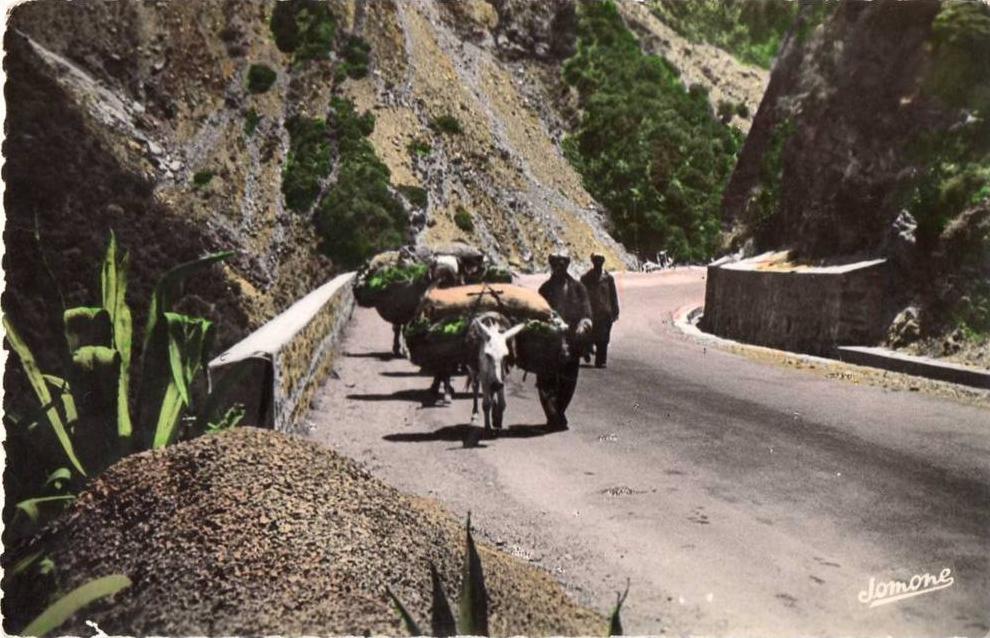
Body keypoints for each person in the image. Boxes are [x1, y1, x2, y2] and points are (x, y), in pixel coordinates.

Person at [537, 250, 592, 430]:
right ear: (551, 264)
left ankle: (558, 413)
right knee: (546, 381)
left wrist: (584, 325)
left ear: (568, 264)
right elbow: (537, 313)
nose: (559, 266)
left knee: (569, 382)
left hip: (572, 342)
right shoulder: (544, 289)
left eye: (563, 262)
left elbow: (587, 312)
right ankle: (553, 415)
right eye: (556, 262)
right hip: (549, 343)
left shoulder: (578, 288)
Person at [581, 253, 620, 368]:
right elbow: (581, 295)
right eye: (596, 260)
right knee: (589, 335)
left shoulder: (608, 278)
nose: (598, 262)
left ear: (603, 261)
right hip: (591, 313)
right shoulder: (586, 278)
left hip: (605, 313)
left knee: (603, 339)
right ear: (592, 261)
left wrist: (615, 310)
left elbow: (613, 295)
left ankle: (601, 360)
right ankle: (586, 350)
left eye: (600, 260)